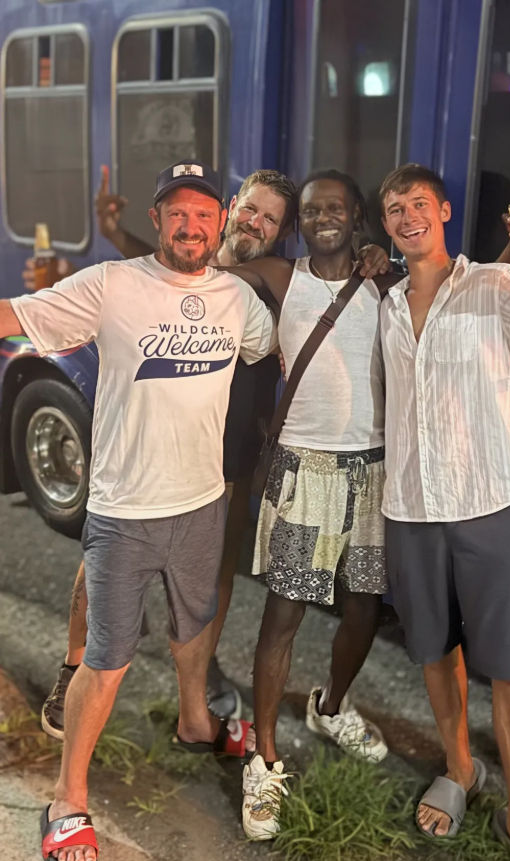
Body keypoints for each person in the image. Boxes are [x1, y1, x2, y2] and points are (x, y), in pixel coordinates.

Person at [0, 160, 280, 861]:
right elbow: (15, 316)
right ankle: (68, 802)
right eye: (176, 212)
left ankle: (193, 722)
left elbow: (270, 344)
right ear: (156, 220)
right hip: (126, 508)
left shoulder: (236, 300)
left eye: (203, 213)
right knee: (110, 656)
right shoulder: (113, 283)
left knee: (194, 629)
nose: (190, 225)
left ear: (221, 221)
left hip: (202, 500)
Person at [378, 163, 510, 859]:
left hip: (488, 502)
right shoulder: (384, 302)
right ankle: (460, 767)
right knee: (436, 653)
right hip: (410, 505)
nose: (407, 215)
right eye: (392, 208)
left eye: (418, 203)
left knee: (509, 665)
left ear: (443, 211)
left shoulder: (494, 284)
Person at [38, 166, 299, 739]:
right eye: (252, 209)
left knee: (211, 573)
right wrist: (114, 240)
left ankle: (198, 683)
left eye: (272, 219)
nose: (257, 222)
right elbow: (152, 269)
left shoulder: (262, 275)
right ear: (234, 207)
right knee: (102, 556)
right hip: (143, 442)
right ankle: (75, 662)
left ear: (279, 233)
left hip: (226, 441)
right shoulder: (169, 261)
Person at [221, 169, 402, 841]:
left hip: (372, 473)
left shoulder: (382, 279)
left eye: (336, 207)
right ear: (298, 222)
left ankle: (330, 705)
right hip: (304, 472)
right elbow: (198, 273)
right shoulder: (277, 274)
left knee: (363, 606)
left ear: (356, 217)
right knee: (284, 614)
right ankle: (264, 760)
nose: (324, 216)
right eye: (312, 209)